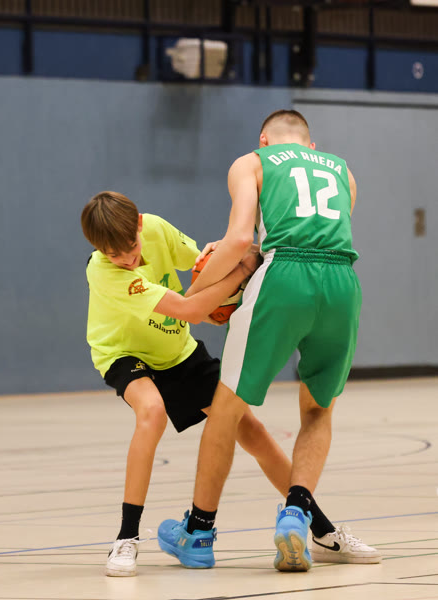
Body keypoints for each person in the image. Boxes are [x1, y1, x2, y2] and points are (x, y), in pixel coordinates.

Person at [81, 190, 378, 577]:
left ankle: (322, 531)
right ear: (98, 249)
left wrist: (232, 254)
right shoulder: (103, 271)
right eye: (114, 254)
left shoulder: (155, 228)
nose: (126, 259)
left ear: (139, 226)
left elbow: (202, 265)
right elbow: (190, 309)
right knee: (151, 412)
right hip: (123, 352)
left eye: (131, 248)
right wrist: (242, 271)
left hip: (177, 351)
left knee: (252, 431)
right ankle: (127, 537)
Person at [158, 109, 378, 572]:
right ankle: (296, 511)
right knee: (318, 410)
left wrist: (197, 294)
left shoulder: (252, 162)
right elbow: (324, 235)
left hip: (284, 276)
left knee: (226, 409)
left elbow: (241, 239)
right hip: (343, 282)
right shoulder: (344, 172)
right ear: (311, 146)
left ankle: (198, 532)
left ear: (264, 138)